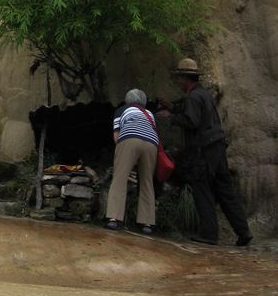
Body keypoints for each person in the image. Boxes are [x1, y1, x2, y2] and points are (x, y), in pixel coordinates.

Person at [158, 58, 253, 247]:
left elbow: (192, 121)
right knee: (226, 192)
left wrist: (171, 117)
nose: (178, 82)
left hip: (204, 150)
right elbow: (195, 113)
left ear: (185, 78)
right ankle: (244, 232)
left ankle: (209, 234)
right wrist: (173, 107)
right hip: (218, 148)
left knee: (202, 189)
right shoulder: (204, 94)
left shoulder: (193, 97)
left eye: (179, 78)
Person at [105, 88, 158, 234]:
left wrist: (124, 156)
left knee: (120, 178)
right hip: (152, 143)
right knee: (147, 181)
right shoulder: (149, 114)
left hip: (130, 137)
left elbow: (117, 136)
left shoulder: (122, 110)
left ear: (127, 100)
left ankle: (114, 219)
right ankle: (147, 223)